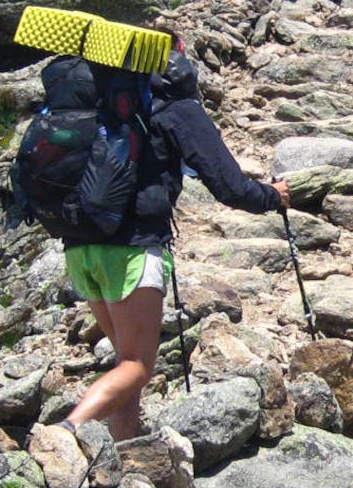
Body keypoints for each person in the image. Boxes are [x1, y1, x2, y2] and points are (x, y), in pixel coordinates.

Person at [61, 48, 289, 440]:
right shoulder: (174, 107)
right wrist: (272, 196)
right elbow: (230, 186)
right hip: (131, 251)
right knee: (137, 366)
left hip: (80, 247)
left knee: (125, 362)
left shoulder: (99, 104)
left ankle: (123, 454)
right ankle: (67, 430)